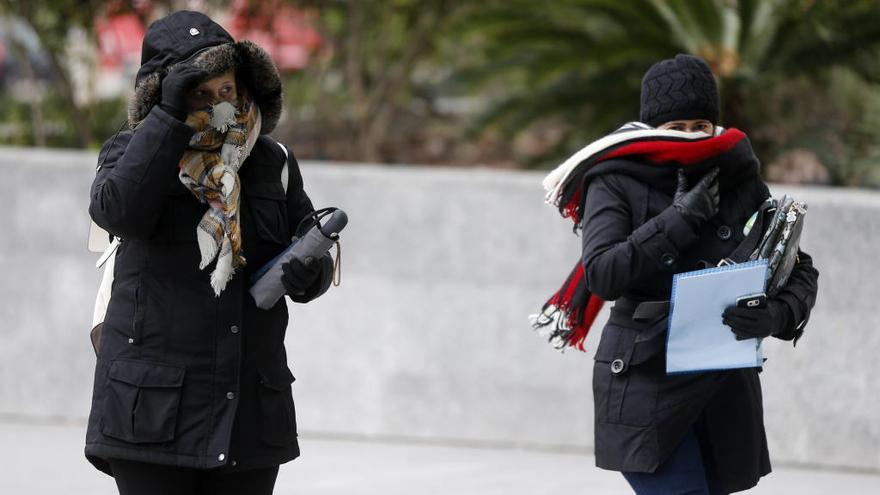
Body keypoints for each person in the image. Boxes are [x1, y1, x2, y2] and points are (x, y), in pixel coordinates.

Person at [537, 54, 819, 494]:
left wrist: (776, 314)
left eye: (700, 127)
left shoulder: (738, 175)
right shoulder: (612, 179)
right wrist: (678, 219)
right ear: (653, 126)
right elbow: (603, 274)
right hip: (647, 377)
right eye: (676, 128)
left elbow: (797, 264)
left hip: (721, 381)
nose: (690, 137)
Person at [84, 11, 334, 495]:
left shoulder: (272, 161)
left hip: (247, 409)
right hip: (153, 412)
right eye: (200, 92)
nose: (220, 103)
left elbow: (304, 241)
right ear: (164, 96)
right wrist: (169, 120)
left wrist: (312, 272)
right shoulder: (130, 151)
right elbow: (117, 212)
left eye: (227, 89)